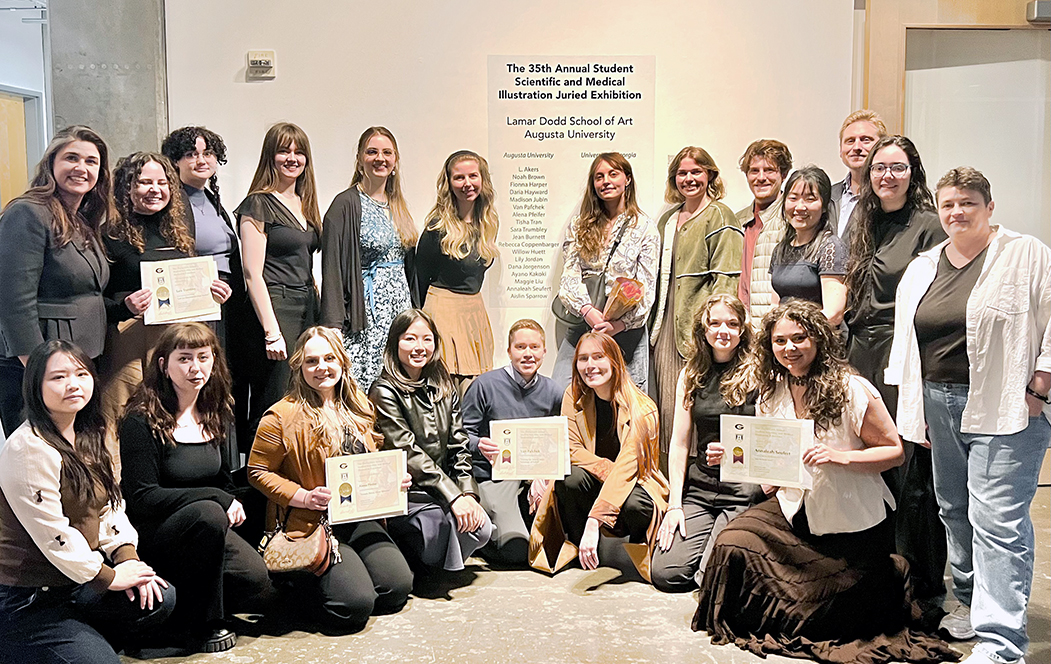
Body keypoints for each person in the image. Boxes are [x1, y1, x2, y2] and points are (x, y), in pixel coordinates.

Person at [692, 300, 956, 664]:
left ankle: (888, 574)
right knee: (732, 543)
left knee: (814, 618)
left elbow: (895, 452)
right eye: (779, 341)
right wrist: (736, 456)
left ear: (817, 338)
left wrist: (840, 457)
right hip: (795, 508)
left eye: (799, 338)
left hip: (849, 521)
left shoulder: (853, 389)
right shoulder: (772, 392)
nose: (789, 349)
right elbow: (773, 473)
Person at [886, 167, 1051, 664]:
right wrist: (917, 413)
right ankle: (972, 600)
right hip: (939, 403)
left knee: (997, 519)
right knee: (954, 512)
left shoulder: (1025, 254)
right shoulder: (923, 266)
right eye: (949, 204)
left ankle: (1001, 643)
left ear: (989, 207)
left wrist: (1040, 384)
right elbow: (908, 345)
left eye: (968, 203)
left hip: (1005, 404)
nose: (957, 212)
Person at [0, 340, 175, 663]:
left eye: (81, 373)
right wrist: (107, 577)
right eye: (58, 377)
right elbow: (55, 535)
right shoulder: (28, 447)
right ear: (35, 386)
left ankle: (78, 640)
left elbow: (110, 506)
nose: (73, 385)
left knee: (159, 596)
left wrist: (126, 557)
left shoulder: (88, 433)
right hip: (27, 596)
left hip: (73, 583)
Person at [119, 323, 272, 652]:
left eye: (204, 357)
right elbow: (144, 497)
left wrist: (232, 498)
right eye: (185, 358)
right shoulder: (140, 419)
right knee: (208, 512)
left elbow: (223, 481)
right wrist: (217, 498)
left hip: (208, 524)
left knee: (255, 582)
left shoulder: (215, 409)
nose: (196, 368)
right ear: (164, 364)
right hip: (156, 529)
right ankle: (205, 623)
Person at [249, 326, 413, 631]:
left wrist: (393, 481)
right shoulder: (280, 416)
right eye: (312, 361)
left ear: (342, 362)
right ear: (299, 366)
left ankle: (343, 580)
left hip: (359, 516)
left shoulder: (359, 406)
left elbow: (371, 459)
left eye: (329, 358)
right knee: (353, 608)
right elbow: (257, 472)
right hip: (312, 521)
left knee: (396, 589)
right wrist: (303, 496)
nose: (322, 367)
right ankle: (296, 592)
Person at [845, 135, 948, 619]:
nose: (887, 175)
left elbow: (933, 299)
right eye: (879, 167)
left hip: (902, 351)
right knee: (871, 457)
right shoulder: (863, 221)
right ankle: (879, 566)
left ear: (913, 171)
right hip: (861, 347)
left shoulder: (929, 225)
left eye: (897, 167)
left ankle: (922, 582)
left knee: (910, 468)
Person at [101, 152, 232, 476]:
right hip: (129, 340)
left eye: (162, 182)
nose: (154, 189)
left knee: (171, 413)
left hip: (173, 341)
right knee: (118, 418)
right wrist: (124, 306)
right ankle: (117, 503)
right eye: (144, 181)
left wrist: (214, 293)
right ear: (126, 187)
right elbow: (94, 300)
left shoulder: (178, 233)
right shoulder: (109, 235)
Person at [0, 126, 112, 437]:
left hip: (79, 361)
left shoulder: (81, 220)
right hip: (39, 364)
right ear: (51, 163)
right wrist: (40, 373)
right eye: (71, 158)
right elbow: (14, 302)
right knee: (38, 460)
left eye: (91, 161)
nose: (81, 168)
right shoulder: (27, 213)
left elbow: (88, 294)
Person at [530, 332, 669, 582]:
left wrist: (595, 520)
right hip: (595, 478)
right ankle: (577, 546)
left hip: (634, 483)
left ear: (614, 361)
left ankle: (637, 551)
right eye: (583, 359)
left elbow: (628, 468)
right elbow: (571, 448)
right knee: (569, 478)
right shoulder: (573, 396)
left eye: (598, 357)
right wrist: (604, 467)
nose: (590, 365)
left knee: (637, 505)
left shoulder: (643, 408)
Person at [651, 295, 765, 593]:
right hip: (701, 491)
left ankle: (711, 561)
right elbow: (678, 444)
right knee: (666, 575)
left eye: (732, 323)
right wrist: (674, 504)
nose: (722, 330)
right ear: (703, 328)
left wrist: (737, 452)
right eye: (714, 323)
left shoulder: (759, 373)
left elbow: (772, 437)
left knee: (709, 581)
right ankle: (706, 551)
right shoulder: (691, 374)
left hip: (742, 491)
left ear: (742, 330)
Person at [368, 309, 493, 572]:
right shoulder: (383, 390)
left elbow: (459, 444)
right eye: (410, 339)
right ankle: (415, 564)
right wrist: (454, 497)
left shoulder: (444, 385)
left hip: (443, 489)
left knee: (480, 529)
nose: (419, 347)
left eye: (427, 339)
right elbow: (409, 452)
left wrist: (467, 493)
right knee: (439, 531)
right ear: (395, 343)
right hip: (409, 491)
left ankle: (436, 563)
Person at [161, 127, 249, 455]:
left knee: (219, 384)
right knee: (197, 383)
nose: (201, 160)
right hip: (194, 312)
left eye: (208, 153)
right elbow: (170, 260)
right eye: (191, 154)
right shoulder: (171, 203)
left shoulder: (212, 199)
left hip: (222, 308)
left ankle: (223, 462)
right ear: (175, 161)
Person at [650, 147, 742, 455]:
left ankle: (694, 480)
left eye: (696, 172)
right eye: (682, 173)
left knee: (694, 408)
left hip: (699, 330)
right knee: (667, 409)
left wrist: (715, 329)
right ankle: (670, 482)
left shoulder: (720, 214)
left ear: (710, 175)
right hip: (665, 330)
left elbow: (726, 281)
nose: (689, 179)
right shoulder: (666, 221)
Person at [235, 122, 322, 447]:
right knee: (273, 394)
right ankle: (259, 479)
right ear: (270, 156)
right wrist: (272, 331)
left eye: (299, 152)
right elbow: (251, 273)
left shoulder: (306, 204)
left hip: (306, 305)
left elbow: (307, 262)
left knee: (302, 389)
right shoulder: (258, 203)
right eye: (284, 150)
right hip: (275, 305)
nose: (292, 158)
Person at [320, 126, 418, 390]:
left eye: (387, 152)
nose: (380, 158)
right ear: (360, 159)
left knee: (397, 385)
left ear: (395, 161)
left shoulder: (397, 205)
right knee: (365, 386)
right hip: (365, 315)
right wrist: (333, 325)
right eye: (372, 151)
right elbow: (331, 268)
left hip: (398, 311)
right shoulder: (346, 204)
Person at [553, 153, 659, 391]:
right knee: (563, 394)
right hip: (583, 325)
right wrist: (588, 311)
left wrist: (618, 325)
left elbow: (647, 286)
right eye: (599, 176)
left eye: (613, 174)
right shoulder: (580, 225)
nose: (606, 182)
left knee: (629, 400)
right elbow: (569, 276)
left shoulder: (644, 227)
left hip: (627, 332)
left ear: (627, 179)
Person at [461, 319, 563, 565]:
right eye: (520, 347)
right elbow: (460, 435)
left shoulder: (554, 392)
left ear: (544, 351)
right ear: (509, 351)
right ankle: (484, 536)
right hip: (494, 477)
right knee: (516, 552)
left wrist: (545, 475)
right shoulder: (484, 385)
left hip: (535, 479)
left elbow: (560, 441)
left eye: (534, 347)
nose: (528, 353)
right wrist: (479, 445)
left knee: (552, 547)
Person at [415, 150, 499, 393]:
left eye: (473, 176)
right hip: (443, 310)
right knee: (445, 389)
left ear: (483, 179)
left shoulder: (488, 223)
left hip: (474, 309)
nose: (467, 184)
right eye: (459, 178)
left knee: (476, 389)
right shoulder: (437, 227)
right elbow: (420, 278)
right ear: (449, 183)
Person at [769, 166, 848, 326]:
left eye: (810, 199)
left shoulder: (830, 247)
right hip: (784, 342)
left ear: (824, 205)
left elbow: (833, 314)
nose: (800, 207)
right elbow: (774, 307)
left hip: (816, 342)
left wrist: (796, 332)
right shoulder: (780, 249)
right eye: (793, 198)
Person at [734, 139, 793, 323]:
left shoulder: (792, 219)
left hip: (776, 327)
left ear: (783, 175)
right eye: (754, 171)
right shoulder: (736, 220)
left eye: (769, 170)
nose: (761, 177)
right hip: (740, 327)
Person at [829, 110, 888, 239]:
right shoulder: (828, 196)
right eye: (850, 141)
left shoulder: (889, 198)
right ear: (840, 150)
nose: (856, 147)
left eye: (865, 140)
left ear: (882, 146)